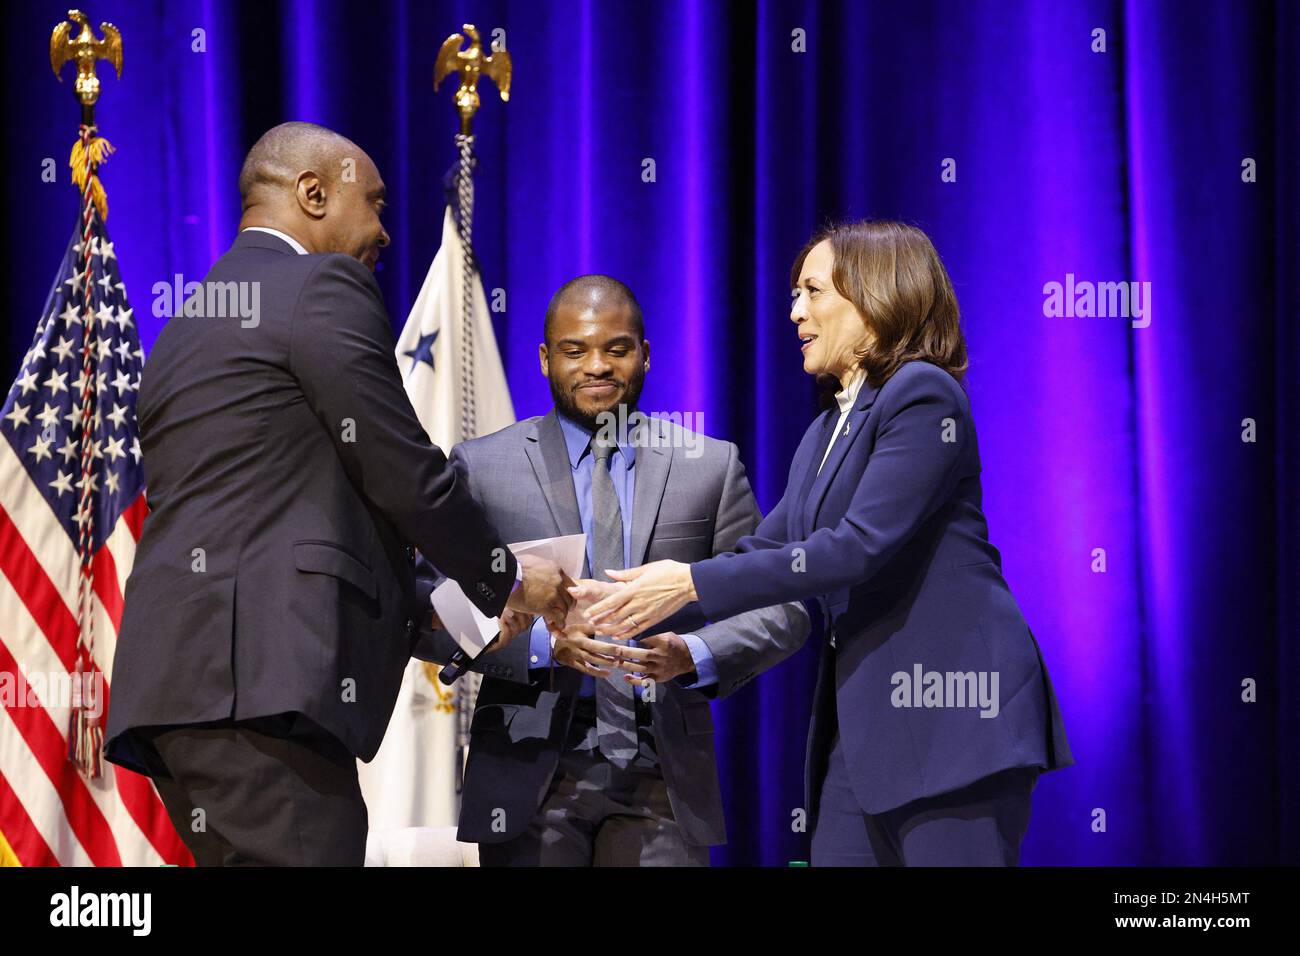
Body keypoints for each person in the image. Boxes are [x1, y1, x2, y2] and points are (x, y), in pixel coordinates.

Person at [103, 122, 571, 866]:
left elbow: (285, 515)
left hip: (181, 694)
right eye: (376, 203)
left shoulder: (184, 330)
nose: (384, 231)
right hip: (262, 690)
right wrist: (506, 577)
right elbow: (401, 468)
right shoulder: (320, 285)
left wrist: (451, 617)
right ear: (313, 193)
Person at [582, 220, 1073, 866]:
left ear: (873, 298)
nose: (794, 313)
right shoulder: (825, 430)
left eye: (812, 292)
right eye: (794, 295)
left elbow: (855, 547)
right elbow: (762, 551)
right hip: (867, 739)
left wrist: (691, 582)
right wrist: (618, 602)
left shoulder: (925, 397)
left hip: (957, 721)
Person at [414, 274, 809, 866]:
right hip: (528, 775)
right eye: (575, 351)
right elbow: (424, 611)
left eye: (616, 348)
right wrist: (544, 644)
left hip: (663, 777)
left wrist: (692, 653)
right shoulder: (483, 468)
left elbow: (782, 606)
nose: (597, 366)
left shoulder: (709, 467)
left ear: (645, 355)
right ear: (546, 360)